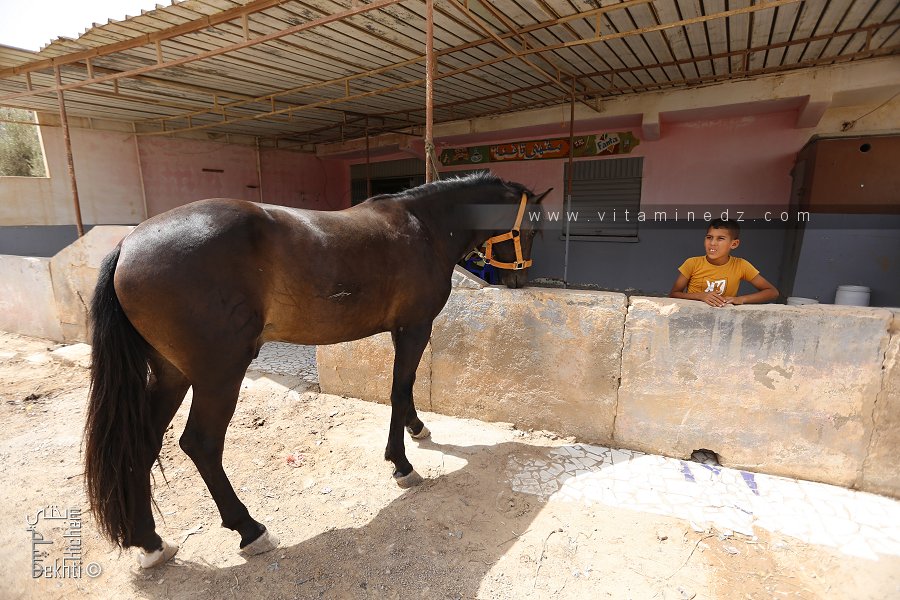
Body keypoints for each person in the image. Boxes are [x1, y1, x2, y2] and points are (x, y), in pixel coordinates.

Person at [669, 219, 779, 307]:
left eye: (720, 238)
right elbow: (674, 294)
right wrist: (701, 296)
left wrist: (741, 299)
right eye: (709, 237)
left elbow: (772, 292)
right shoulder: (692, 263)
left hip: (723, 322)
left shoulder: (741, 265)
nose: (712, 243)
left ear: (734, 244)